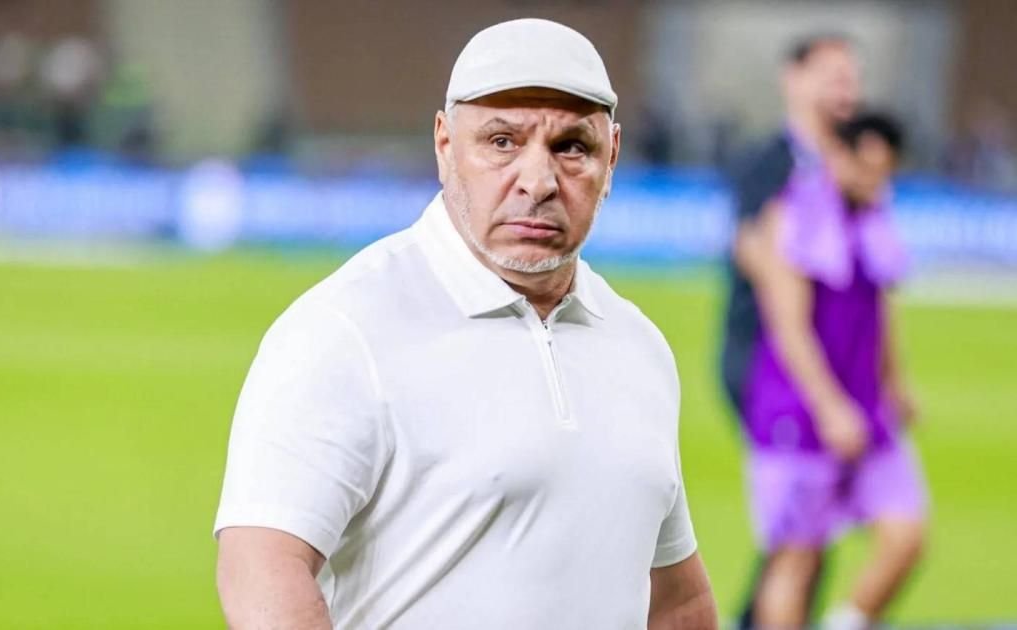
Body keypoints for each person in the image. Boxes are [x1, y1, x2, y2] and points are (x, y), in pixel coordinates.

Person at [214, 18, 718, 630]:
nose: (538, 182)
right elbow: (261, 568)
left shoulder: (636, 345)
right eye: (502, 142)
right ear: (445, 144)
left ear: (611, 157)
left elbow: (677, 601)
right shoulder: (345, 329)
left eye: (571, 148)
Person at [725, 50, 929, 628]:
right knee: (797, 558)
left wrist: (895, 382)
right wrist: (829, 405)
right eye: (864, 168)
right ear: (838, 155)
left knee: (906, 533)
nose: (872, 181)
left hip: (866, 404)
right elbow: (787, 325)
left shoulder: (873, 217)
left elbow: (881, 308)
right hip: (800, 407)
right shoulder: (793, 216)